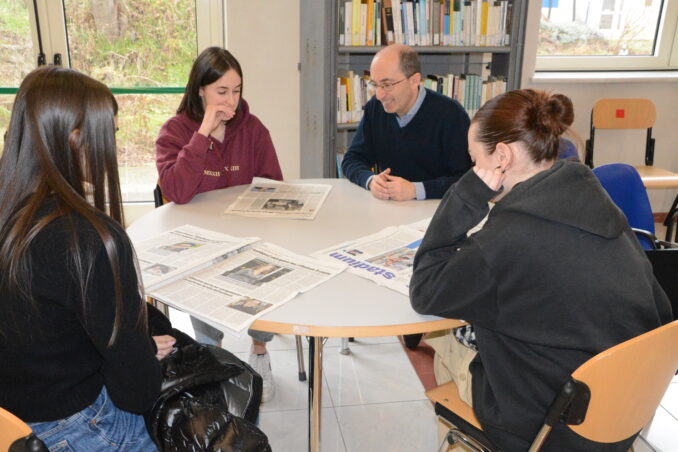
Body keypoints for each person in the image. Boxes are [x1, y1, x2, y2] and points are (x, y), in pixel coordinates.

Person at [410, 89, 673, 451]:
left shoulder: (504, 239)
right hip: (623, 410)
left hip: (548, 425)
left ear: (501, 156)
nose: (472, 170)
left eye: (475, 161)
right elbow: (659, 310)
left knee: (438, 341)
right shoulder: (602, 205)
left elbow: (424, 291)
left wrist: (465, 195)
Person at [0, 66, 166, 451]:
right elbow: (138, 392)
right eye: (110, 135)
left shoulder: (12, 214)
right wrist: (139, 352)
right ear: (75, 140)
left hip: (14, 422)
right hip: (77, 428)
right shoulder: (87, 240)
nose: (114, 145)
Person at [156, 46, 282, 402]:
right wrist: (203, 134)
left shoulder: (253, 128)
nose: (232, 100)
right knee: (205, 282)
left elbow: (273, 184)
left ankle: (259, 350)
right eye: (222, 91)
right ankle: (211, 356)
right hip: (201, 242)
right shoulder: (175, 131)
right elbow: (177, 191)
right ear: (200, 89)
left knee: (265, 268)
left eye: (237, 90)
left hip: (247, 236)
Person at [341, 43, 472, 349]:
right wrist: (370, 179)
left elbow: (467, 180)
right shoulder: (376, 110)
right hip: (388, 217)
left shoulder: (450, 115)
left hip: (436, 219)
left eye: (388, 85)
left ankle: (418, 321)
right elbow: (352, 160)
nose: (380, 94)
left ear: (415, 80)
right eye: (375, 85)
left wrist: (417, 189)